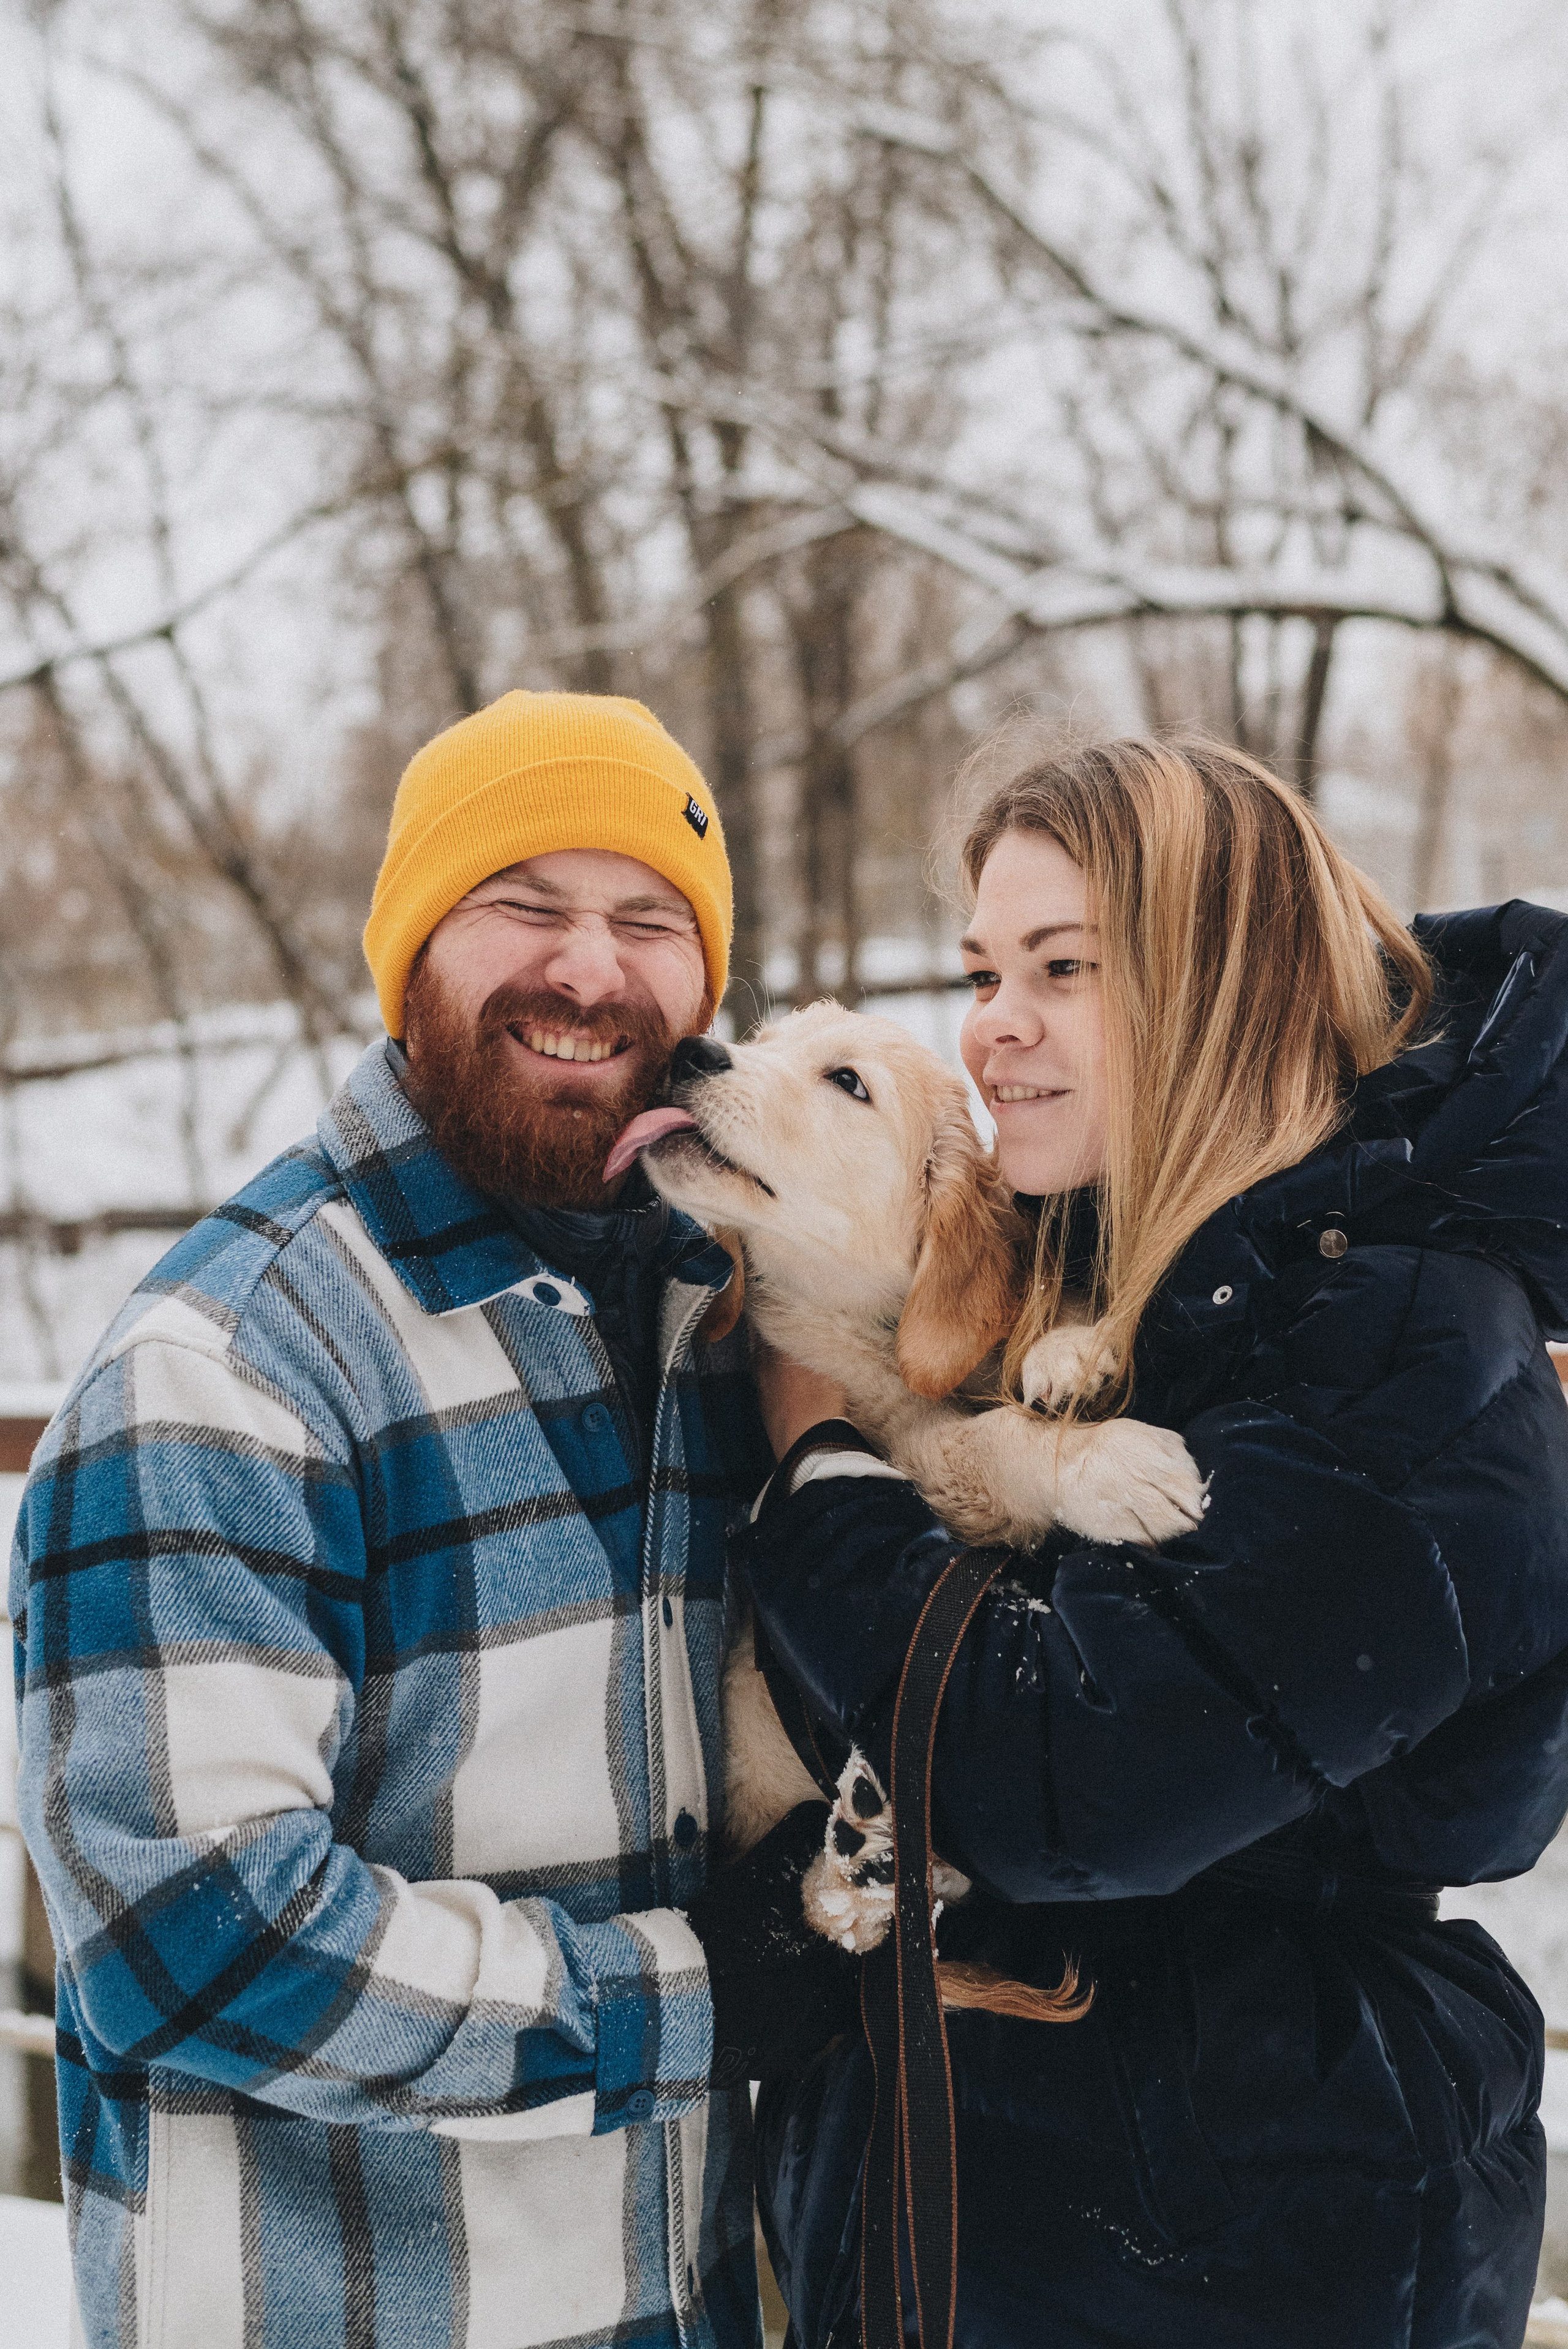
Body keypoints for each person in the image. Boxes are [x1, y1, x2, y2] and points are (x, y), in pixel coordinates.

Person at [10, 690, 854, 2349]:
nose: (591, 970)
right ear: (409, 958)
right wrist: (697, 1996)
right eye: (522, 906)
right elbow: (194, 1939)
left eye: (647, 921)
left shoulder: (723, 1316)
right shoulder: (232, 1367)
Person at [744, 736, 1568, 2349]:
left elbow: (1067, 1778)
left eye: (1064, 967)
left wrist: (816, 1462)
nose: (993, 1025)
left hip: (1234, 2240)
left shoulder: (1396, 1339)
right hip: (1005, 2236)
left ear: (1227, 983)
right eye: (985, 968)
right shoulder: (1151, 1267)